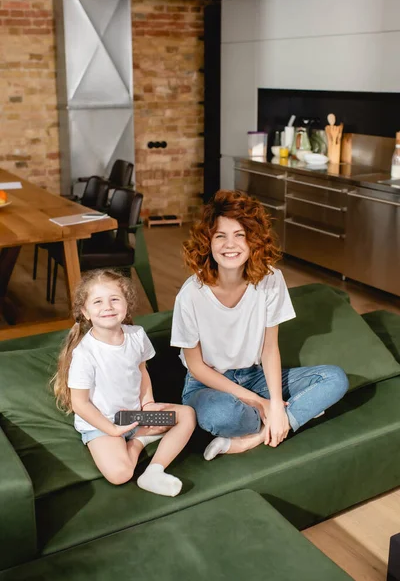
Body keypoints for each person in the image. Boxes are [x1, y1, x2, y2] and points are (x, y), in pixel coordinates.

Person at [171, 190, 349, 461]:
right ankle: (296, 415)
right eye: (221, 236)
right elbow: (196, 366)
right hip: (208, 385)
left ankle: (253, 437)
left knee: (334, 378)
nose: (230, 245)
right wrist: (261, 403)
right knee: (220, 413)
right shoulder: (191, 294)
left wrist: (276, 404)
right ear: (207, 242)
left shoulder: (270, 279)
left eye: (240, 235)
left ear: (253, 240)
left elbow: (269, 349)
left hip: (255, 376)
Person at [52, 269, 196, 497]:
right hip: (103, 425)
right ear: (85, 312)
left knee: (186, 415)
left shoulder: (136, 335)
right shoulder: (85, 353)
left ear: (126, 305)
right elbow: (80, 404)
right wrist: (112, 429)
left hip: (134, 417)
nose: (107, 307)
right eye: (97, 301)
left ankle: (154, 471)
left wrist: (148, 405)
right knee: (121, 474)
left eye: (114, 299)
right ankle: (140, 441)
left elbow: (142, 372)